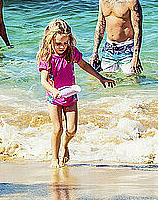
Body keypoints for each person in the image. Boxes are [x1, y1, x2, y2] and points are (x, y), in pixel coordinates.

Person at [37, 19, 115, 168]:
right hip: (54, 97)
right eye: (58, 43)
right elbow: (44, 81)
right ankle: (54, 158)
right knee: (58, 129)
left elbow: (84, 65)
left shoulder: (71, 52)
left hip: (70, 96)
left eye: (65, 43)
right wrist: (54, 91)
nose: (62, 46)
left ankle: (65, 146)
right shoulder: (46, 56)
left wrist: (101, 78)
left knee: (72, 130)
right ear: (50, 39)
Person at [90, 0, 143, 75]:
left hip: (127, 48)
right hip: (109, 48)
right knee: (107, 83)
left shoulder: (131, 0)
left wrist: (136, 56)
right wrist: (95, 51)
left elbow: (138, 30)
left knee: (132, 82)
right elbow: (100, 26)